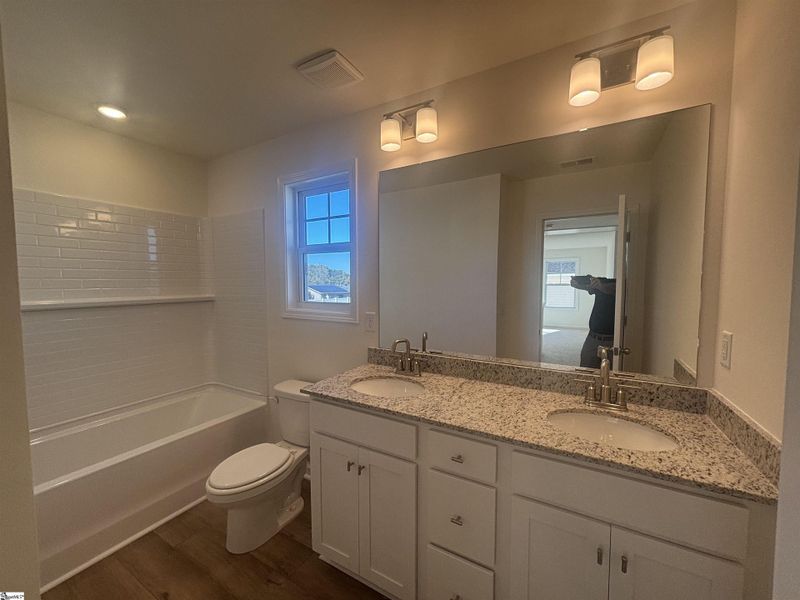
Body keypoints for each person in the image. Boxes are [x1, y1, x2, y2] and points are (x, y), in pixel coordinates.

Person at [570, 275, 616, 369]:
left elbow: (612, 289)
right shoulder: (602, 281)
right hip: (592, 337)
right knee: (585, 370)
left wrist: (600, 286)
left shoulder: (621, 286)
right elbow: (587, 287)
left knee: (610, 373)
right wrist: (577, 283)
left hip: (613, 341)